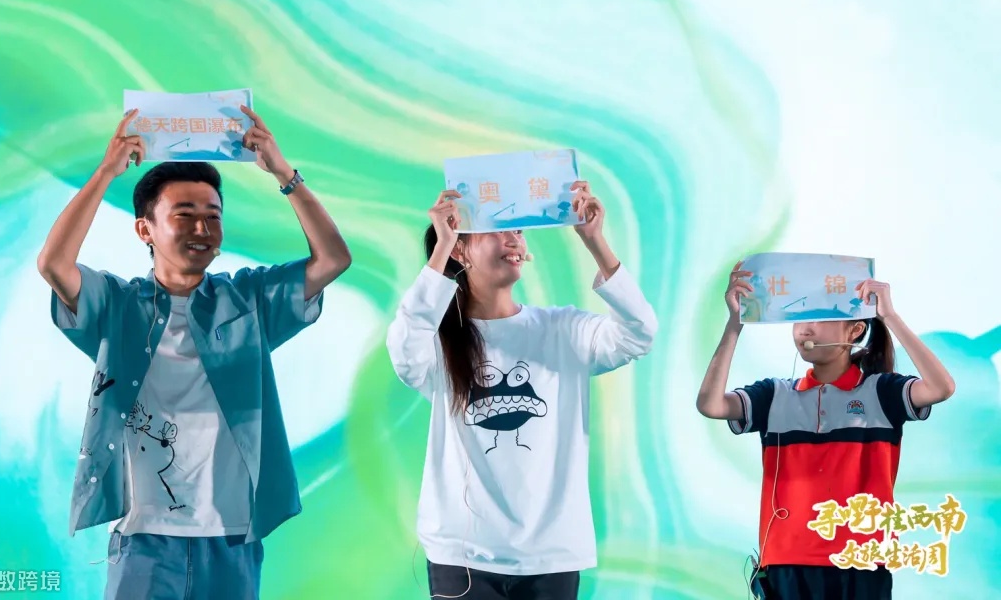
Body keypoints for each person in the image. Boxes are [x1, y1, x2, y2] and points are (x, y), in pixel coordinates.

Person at [37, 106, 351, 600]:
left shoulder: (248, 301)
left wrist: (283, 174)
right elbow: (54, 264)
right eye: (184, 215)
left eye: (212, 217)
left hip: (232, 536)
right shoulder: (117, 306)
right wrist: (106, 173)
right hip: (143, 540)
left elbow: (333, 258)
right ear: (145, 229)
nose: (201, 229)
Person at [386, 183, 659, 600]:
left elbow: (639, 333)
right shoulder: (438, 342)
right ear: (461, 250)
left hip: (551, 555)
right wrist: (441, 250)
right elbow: (405, 350)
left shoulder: (563, 330)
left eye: (518, 230)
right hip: (462, 555)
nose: (514, 239)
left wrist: (595, 241)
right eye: (496, 229)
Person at [695, 261, 957, 599]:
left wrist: (890, 317)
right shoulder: (774, 395)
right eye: (799, 319)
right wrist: (735, 324)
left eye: (819, 319)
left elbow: (941, 387)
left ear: (855, 330)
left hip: (862, 562)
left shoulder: (881, 392)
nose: (805, 330)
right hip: (786, 564)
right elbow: (711, 404)